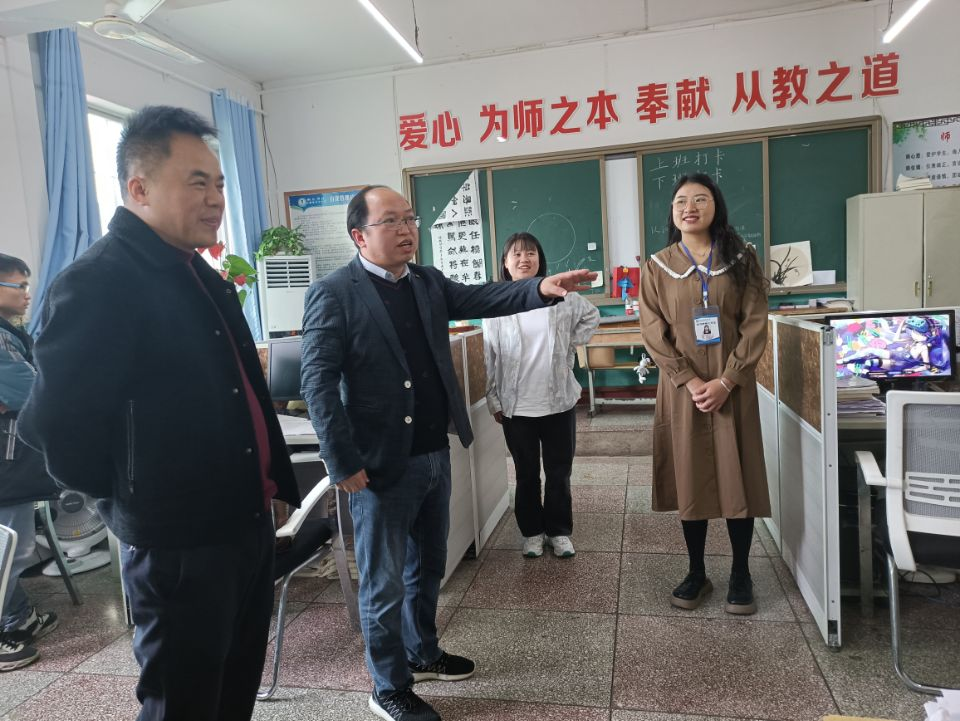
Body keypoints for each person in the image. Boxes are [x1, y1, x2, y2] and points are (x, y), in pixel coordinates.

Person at [18, 106, 300, 721]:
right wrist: (134, 498)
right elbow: (53, 424)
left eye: (219, 183)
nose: (216, 199)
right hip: (179, 543)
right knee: (182, 701)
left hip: (241, 524)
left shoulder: (197, 273)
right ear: (139, 188)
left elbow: (238, 393)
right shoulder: (101, 281)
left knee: (233, 691)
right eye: (197, 182)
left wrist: (269, 483)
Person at [300, 185, 595, 721]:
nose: (407, 229)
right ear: (359, 235)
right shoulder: (334, 292)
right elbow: (317, 382)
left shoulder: (427, 281)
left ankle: (423, 653)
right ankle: (387, 686)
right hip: (378, 466)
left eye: (410, 218)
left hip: (434, 452)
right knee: (383, 581)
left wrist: (538, 289)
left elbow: (485, 298)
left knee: (427, 566)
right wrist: (341, 461)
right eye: (392, 221)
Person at [637, 173, 770, 615]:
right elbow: (653, 331)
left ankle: (740, 572)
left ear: (716, 206)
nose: (689, 207)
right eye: (680, 201)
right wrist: (691, 381)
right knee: (690, 476)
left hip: (733, 388)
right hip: (683, 391)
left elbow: (755, 324)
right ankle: (696, 571)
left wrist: (728, 380)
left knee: (738, 476)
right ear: (672, 212)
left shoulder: (742, 258)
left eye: (700, 199)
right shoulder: (657, 267)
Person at [482, 232, 599, 559]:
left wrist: (569, 345)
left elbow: (591, 316)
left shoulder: (560, 294)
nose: (524, 259)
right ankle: (532, 532)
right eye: (517, 254)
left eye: (530, 253)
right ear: (506, 264)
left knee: (559, 473)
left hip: (558, 401)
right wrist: (493, 399)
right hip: (516, 406)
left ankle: (559, 532)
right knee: (526, 474)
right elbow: (489, 356)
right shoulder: (496, 303)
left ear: (539, 259)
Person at [0, 253, 60, 672]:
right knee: (13, 548)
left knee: (10, 545)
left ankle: (18, 616)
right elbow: (33, 391)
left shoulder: (11, 334)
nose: (27, 294)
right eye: (18, 286)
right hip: (6, 462)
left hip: (12, 455)